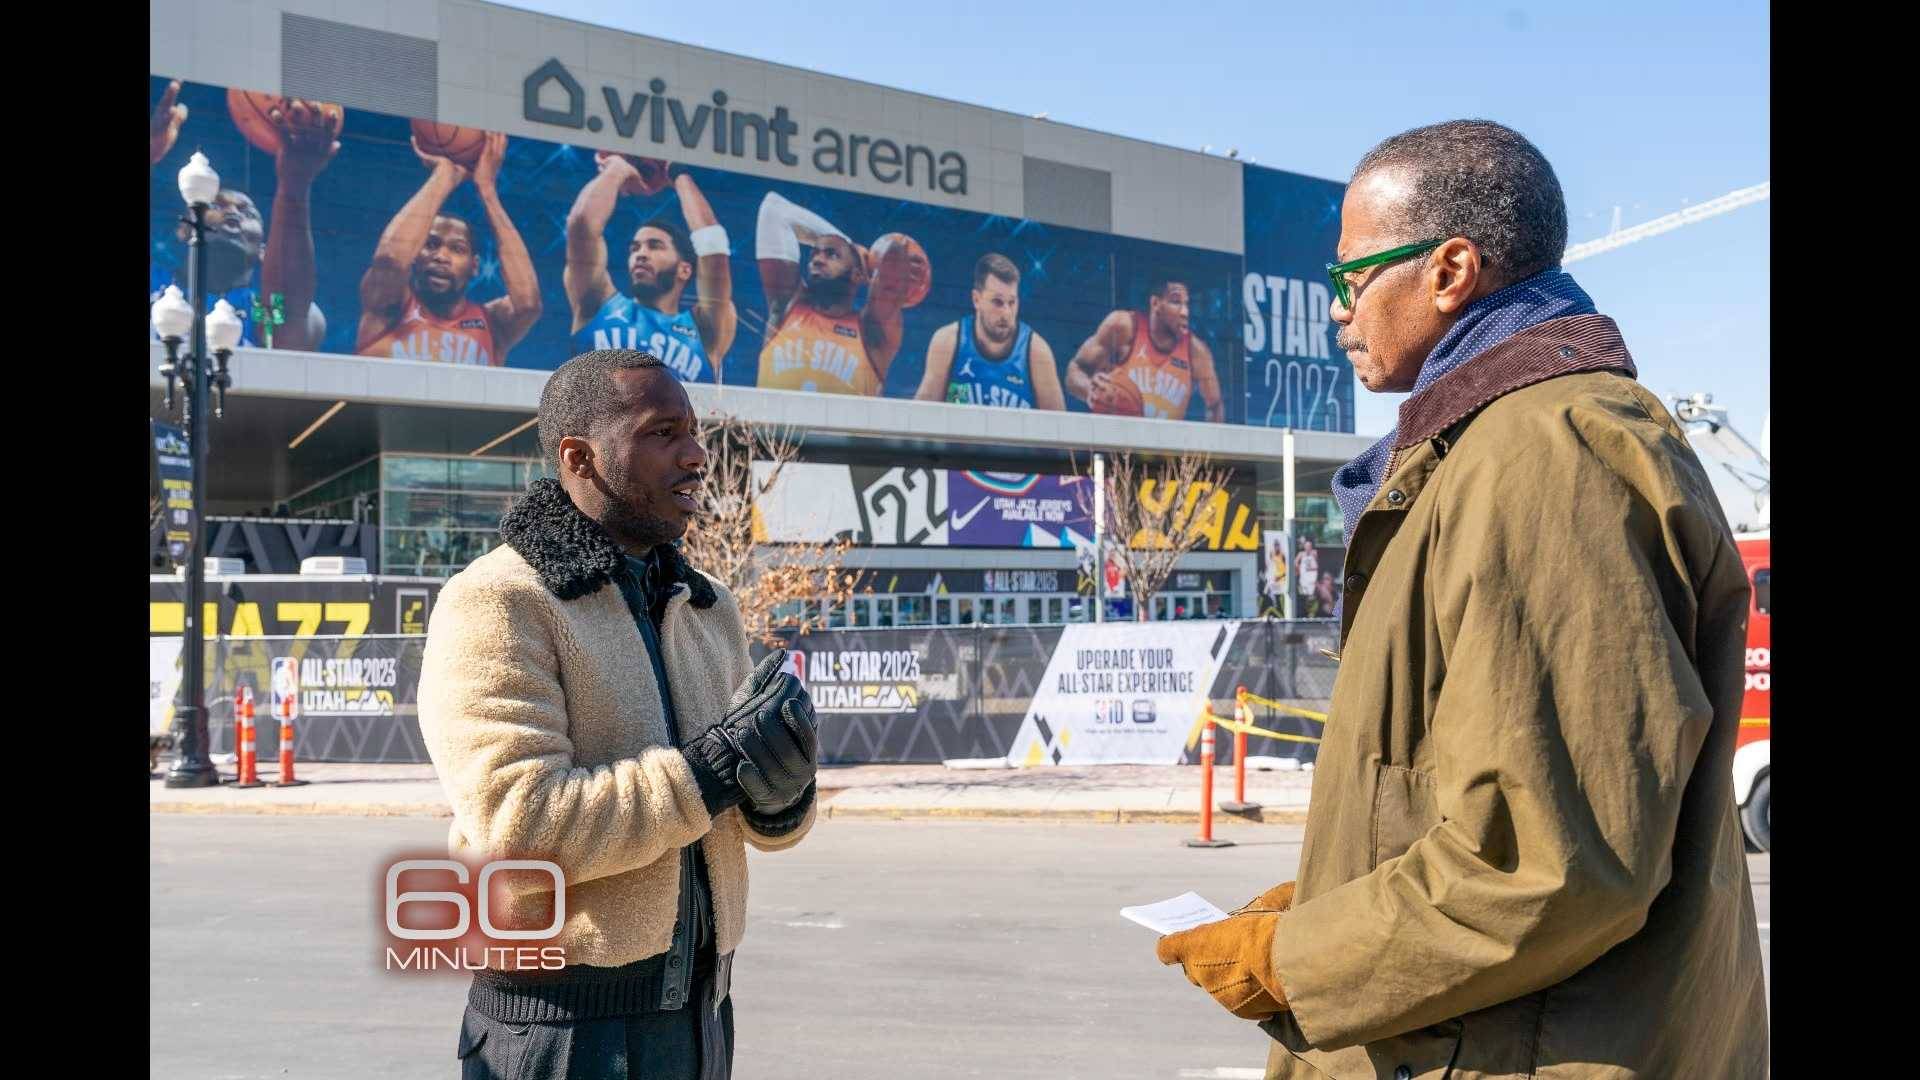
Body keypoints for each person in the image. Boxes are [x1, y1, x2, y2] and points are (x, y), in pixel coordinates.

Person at [1152, 120, 1768, 1078]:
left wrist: (1295, 959)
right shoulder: (1494, 450)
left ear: (1449, 272)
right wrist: (1328, 897)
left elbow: (1553, 861)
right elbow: (1464, 798)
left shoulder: (1544, 456)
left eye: (1350, 277)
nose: (1338, 312)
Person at [418, 348, 820, 1079]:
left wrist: (781, 795)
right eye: (663, 433)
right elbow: (520, 826)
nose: (697, 456)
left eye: (695, 431)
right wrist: (716, 771)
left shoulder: (707, 607)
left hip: (702, 1019)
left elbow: (730, 811)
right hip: (564, 1034)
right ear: (580, 456)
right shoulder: (499, 601)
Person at [148, 79, 332, 350]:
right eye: (216, 204)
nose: (232, 212)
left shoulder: (264, 310)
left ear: (263, 251)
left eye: (248, 212)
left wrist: (295, 185)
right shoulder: (155, 282)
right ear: (184, 228)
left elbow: (292, 326)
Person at [356, 132, 542, 366]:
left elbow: (528, 303)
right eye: (431, 245)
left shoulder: (492, 324)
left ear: (474, 266)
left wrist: (487, 192)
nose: (441, 256)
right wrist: (444, 176)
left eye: (457, 248)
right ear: (415, 255)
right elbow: (390, 259)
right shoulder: (388, 306)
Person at [566, 153, 735, 383]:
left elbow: (714, 247)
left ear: (685, 270)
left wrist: (675, 172)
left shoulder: (704, 328)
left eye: (655, 246)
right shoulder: (598, 304)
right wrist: (617, 168)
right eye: (634, 248)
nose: (641, 254)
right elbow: (581, 225)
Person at [754, 191, 928, 395]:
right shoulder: (787, 305)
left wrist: (869, 260)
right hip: (772, 428)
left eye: (832, 255)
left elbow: (897, 250)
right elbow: (773, 209)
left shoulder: (872, 331)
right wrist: (849, 244)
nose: (817, 260)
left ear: (857, 274)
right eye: (814, 254)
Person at [913, 253, 1064, 409]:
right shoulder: (948, 342)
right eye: (997, 302)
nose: (1006, 313)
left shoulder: (1036, 352)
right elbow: (919, 418)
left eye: (1012, 302)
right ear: (976, 300)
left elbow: (1059, 429)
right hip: (962, 433)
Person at [1064, 277, 1224, 421]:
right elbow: (1075, 370)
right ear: (1155, 303)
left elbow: (1214, 405)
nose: (1185, 312)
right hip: (1120, 446)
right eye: (1176, 302)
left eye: (1187, 304)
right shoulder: (1123, 326)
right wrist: (1089, 389)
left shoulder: (1196, 350)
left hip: (1165, 450)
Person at [1293, 538, 1319, 617]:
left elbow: (1316, 565)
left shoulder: (1314, 553)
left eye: (1309, 546)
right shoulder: (1301, 554)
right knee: (1303, 595)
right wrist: (1298, 569)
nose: (1308, 547)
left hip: (1312, 578)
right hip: (1303, 578)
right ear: (1304, 546)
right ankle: (1304, 612)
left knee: (1311, 596)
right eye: (1306, 546)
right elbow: (1295, 562)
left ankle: (1311, 613)